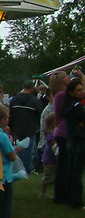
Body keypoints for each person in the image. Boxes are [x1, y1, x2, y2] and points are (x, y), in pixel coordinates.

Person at [8, 82, 44, 175]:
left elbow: (10, 115)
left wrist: (11, 128)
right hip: (30, 129)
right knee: (28, 152)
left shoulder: (14, 100)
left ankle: (17, 169)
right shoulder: (35, 101)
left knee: (17, 151)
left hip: (17, 129)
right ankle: (26, 170)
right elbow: (41, 114)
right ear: (32, 88)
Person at [60, 78, 85, 210]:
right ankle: (76, 201)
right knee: (76, 172)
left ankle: (70, 198)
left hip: (71, 140)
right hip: (78, 140)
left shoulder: (69, 106)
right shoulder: (77, 106)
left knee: (71, 171)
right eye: (79, 90)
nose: (82, 92)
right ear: (71, 92)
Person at [49, 71, 72, 205]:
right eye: (67, 77)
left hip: (60, 131)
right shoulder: (63, 95)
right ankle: (62, 194)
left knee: (62, 165)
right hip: (65, 131)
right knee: (65, 165)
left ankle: (60, 195)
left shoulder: (58, 95)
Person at [40, 114, 57, 198]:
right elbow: (54, 146)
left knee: (52, 175)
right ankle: (43, 192)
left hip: (49, 158)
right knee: (48, 176)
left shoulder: (50, 132)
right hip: (50, 158)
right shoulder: (52, 134)